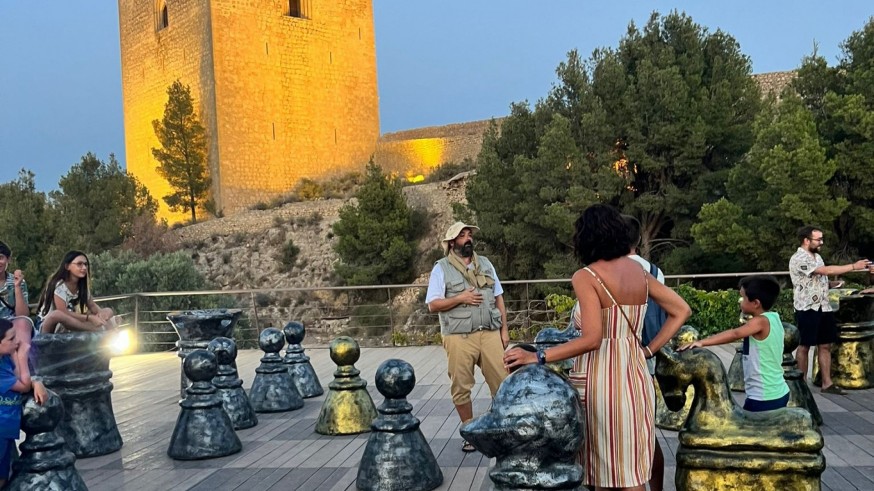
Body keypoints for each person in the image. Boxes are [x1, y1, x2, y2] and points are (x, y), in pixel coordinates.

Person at [505, 204, 690, 491]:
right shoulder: (639, 273)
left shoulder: (587, 277)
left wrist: (538, 356)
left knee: (604, 474)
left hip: (601, 383)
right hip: (635, 378)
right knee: (631, 471)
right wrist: (648, 350)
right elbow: (681, 311)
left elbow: (592, 338)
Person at [426, 222, 509, 453]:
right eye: (462, 235)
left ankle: (501, 429)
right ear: (452, 243)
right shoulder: (441, 268)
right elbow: (433, 304)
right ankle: (470, 432)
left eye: (469, 234)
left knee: (504, 382)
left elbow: (499, 297)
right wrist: (460, 298)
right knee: (461, 386)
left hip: (490, 332)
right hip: (458, 337)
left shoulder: (486, 264)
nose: (468, 238)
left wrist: (504, 330)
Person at [679, 276, 790, 411]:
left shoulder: (759, 322)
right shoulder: (774, 318)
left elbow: (735, 334)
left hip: (764, 396)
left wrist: (702, 342)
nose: (740, 301)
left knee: (748, 430)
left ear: (756, 303)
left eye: (742, 297)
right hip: (778, 391)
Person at [789, 226, 869, 395]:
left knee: (825, 345)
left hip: (823, 307)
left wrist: (831, 284)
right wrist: (853, 266)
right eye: (818, 239)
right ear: (806, 240)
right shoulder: (798, 258)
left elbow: (819, 278)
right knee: (804, 346)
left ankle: (827, 383)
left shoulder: (817, 257)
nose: (821, 242)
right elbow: (825, 271)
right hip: (807, 307)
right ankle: (801, 385)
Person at [0, 318, 45, 487]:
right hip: (1, 427)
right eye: (11, 339)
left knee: (3, 476)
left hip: (6, 428)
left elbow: (20, 377)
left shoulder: (4, 359)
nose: (17, 341)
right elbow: (23, 385)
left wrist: (36, 381)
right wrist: (23, 354)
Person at [36, 251, 117, 334]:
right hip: (50, 324)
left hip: (71, 322)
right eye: (79, 264)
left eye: (86, 264)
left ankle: (109, 331)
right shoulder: (59, 285)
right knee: (58, 314)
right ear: (67, 266)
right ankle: (96, 329)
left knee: (108, 310)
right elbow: (63, 312)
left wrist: (103, 315)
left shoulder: (82, 287)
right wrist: (89, 318)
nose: (84, 268)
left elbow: (93, 306)